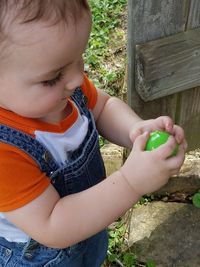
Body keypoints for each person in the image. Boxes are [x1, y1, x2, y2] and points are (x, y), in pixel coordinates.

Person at [0, 1, 187, 266]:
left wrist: (135, 130)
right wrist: (131, 182)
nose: (77, 79)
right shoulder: (5, 152)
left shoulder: (66, 89)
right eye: (53, 77)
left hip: (88, 223)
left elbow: (102, 106)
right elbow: (52, 224)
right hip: (42, 255)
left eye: (79, 58)